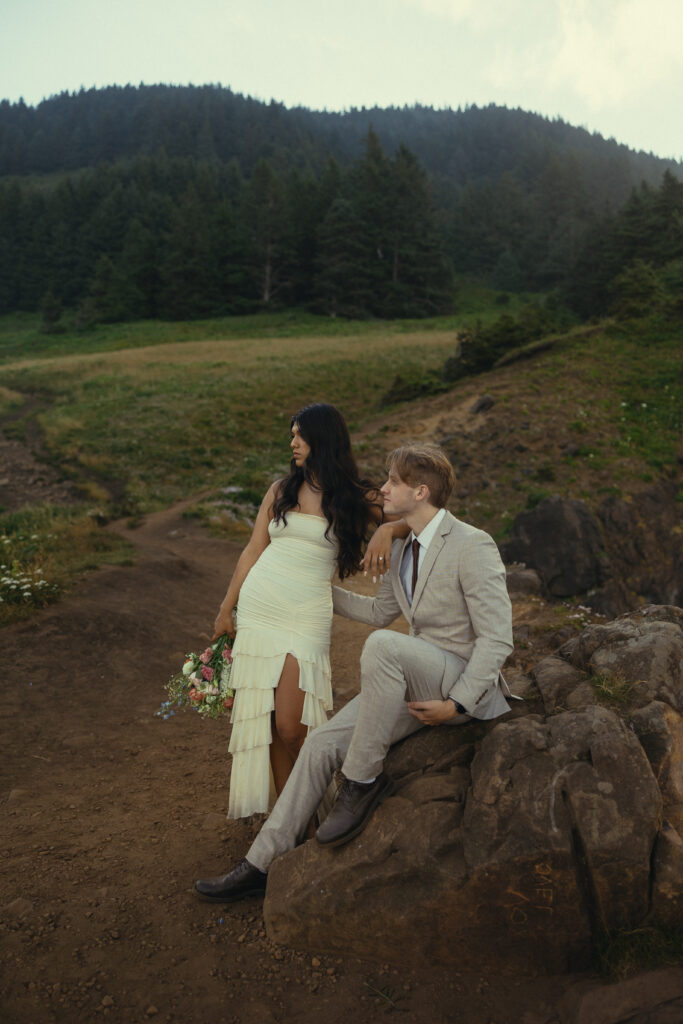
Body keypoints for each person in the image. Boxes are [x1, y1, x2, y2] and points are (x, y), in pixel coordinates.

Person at [195, 443, 514, 902]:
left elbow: (498, 637)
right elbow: (380, 613)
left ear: (420, 491)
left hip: (458, 683)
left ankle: (362, 780)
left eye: (393, 483)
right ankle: (261, 863)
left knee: (383, 648)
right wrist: (307, 589)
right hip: (412, 677)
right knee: (322, 741)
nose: (382, 489)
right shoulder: (402, 550)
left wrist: (457, 703)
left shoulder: (473, 543)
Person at [212, 402, 402, 820]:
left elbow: (416, 517)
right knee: (269, 726)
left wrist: (387, 528)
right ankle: (294, 822)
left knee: (291, 727)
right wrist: (227, 608)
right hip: (260, 609)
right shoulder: (280, 490)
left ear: (323, 440)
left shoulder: (354, 495)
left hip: (305, 614)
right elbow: (253, 549)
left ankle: (326, 801)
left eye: (300, 435)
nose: (293, 442)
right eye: (292, 434)